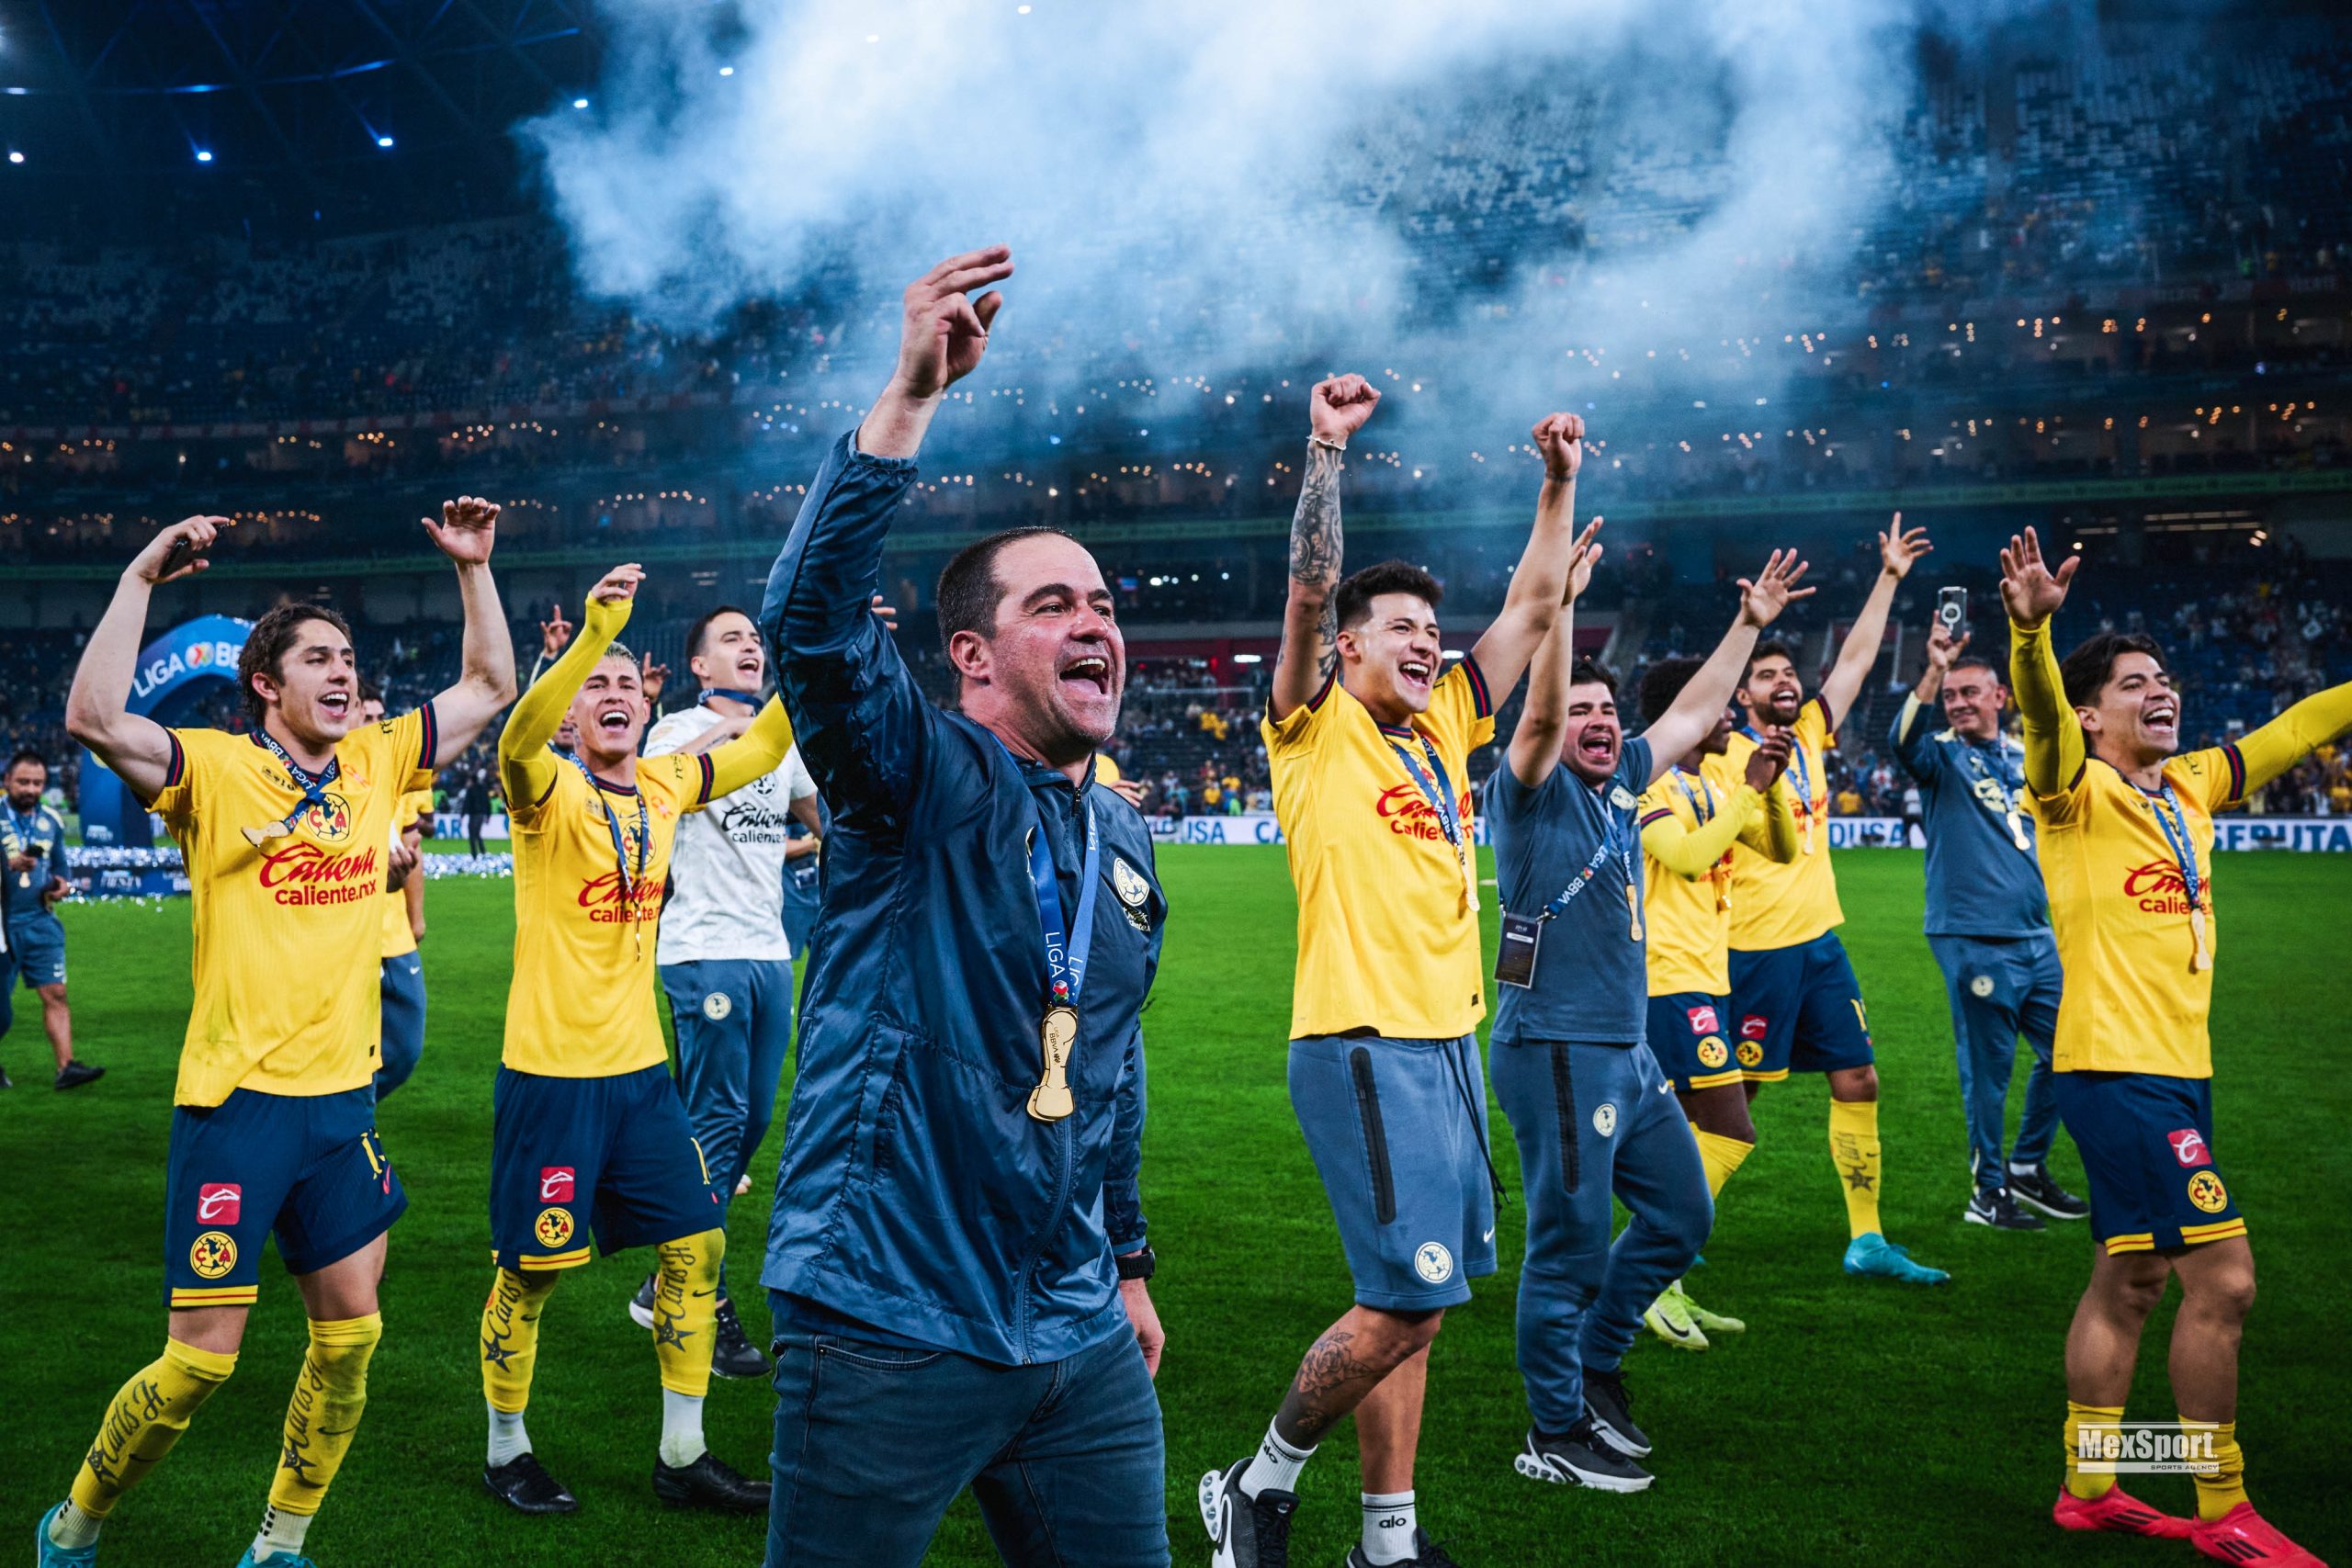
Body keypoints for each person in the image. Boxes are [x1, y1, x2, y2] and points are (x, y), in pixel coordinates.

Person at [758, 244, 1169, 1568]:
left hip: (1073, 1327)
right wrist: (909, 397)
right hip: (888, 1306)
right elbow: (811, 629)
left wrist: (1128, 1260)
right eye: (1055, 604)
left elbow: (1105, 1066)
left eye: (1104, 602)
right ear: (976, 655)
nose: (1096, 622)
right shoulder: (918, 775)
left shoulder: (1121, 834)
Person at [43, 499, 515, 1568]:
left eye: (347, 657)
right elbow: (92, 717)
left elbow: (489, 685)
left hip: (341, 1107)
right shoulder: (209, 770)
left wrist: (473, 571)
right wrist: (140, 579)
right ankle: (75, 1524)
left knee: (350, 1341)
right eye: (317, 660)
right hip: (236, 1108)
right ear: (267, 684)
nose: (342, 673)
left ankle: (279, 1545)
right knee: (197, 1369)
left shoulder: (380, 761)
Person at [1202, 392, 1586, 1568]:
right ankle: (1253, 1486)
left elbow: (1531, 604)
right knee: (1404, 1303)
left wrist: (1556, 482)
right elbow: (1310, 585)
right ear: (1348, 648)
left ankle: (1387, 1539)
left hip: (1449, 1046)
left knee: (1419, 1318)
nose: (1428, 641)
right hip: (1362, 1041)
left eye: (1433, 626)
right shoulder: (1313, 723)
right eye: (1402, 627)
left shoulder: (1441, 725)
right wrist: (1326, 451)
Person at [2002, 527, 2346, 1563]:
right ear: (2091, 710)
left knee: (2131, 1280)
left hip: (2177, 1072)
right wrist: (2032, 636)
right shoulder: (2071, 791)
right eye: (2134, 682)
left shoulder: (2188, 785)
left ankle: (2090, 1484)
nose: (2162, 691)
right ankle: (2220, 1510)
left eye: (2165, 678)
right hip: (2114, 1070)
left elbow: (2293, 730)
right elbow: (2039, 716)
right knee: (2224, 1281)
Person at [1486, 542, 1811, 1492]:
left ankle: (1594, 1362)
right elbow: (1541, 711)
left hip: (1623, 1051)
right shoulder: (1529, 789)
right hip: (1555, 1048)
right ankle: (1552, 1430)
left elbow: (1696, 712)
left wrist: (1749, 626)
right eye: (1581, 712)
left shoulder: (1626, 778)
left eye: (1606, 711)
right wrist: (1556, 618)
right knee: (1568, 1245)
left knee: (1679, 1213)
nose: (1597, 723)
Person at [477, 567, 794, 1518]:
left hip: (640, 1079)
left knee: (695, 1247)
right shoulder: (542, 789)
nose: (611, 696)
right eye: (593, 689)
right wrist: (589, 639)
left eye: (625, 683)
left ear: (650, 698)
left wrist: (825, 638)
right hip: (551, 1078)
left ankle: (683, 1453)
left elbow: (772, 736)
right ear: (571, 714)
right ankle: (505, 1451)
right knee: (529, 1276)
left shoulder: (665, 784)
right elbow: (517, 735)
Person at [1709, 518, 1951, 1285]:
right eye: (1766, 674)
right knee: (1731, 1108)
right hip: (1752, 950)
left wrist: (1888, 578)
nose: (1785, 680)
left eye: (1789, 671)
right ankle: (1669, 1234)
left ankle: (1867, 1238)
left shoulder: (1810, 730)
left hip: (1820, 944)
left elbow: (1855, 660)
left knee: (1860, 1079)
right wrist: (1748, 630)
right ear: (1741, 693)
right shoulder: (1723, 756)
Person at [619, 603, 825, 1382]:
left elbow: (822, 815)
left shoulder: (782, 745)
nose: (751, 647)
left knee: (754, 1122)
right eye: (732, 639)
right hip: (702, 949)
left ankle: (660, 1278)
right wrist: (739, 730)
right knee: (716, 1117)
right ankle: (695, 1290)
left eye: (755, 639)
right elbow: (668, 790)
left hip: (771, 950)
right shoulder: (674, 730)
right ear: (700, 665)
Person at [1889, 620, 2087, 1231]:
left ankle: (2027, 1167)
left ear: (2000, 696)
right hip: (1973, 937)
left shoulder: (2026, 758)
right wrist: (1932, 669)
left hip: (2040, 937)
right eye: (1951, 695)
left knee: (2072, 1056)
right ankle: (1987, 1189)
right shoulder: (1939, 756)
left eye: (1969, 692)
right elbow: (1901, 740)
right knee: (1989, 1071)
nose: (1959, 703)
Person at [1632, 654, 1801, 1346]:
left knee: (1690, 1133)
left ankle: (1659, 1273)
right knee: (1731, 1127)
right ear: (1687, 713)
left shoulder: (1712, 782)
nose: (1731, 713)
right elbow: (1691, 857)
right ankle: (1650, 1272)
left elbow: (1782, 850)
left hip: (1706, 977)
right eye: (1719, 703)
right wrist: (1747, 791)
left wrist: (1772, 786)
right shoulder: (1650, 784)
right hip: (1667, 978)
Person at [0, 749, 101, 1090]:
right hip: (1, 924)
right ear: (6, 782)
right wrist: (7, 866)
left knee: (56, 992)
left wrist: (62, 886)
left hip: (40, 921)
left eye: (37, 783)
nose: (30, 789)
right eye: (23, 782)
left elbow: (62, 869)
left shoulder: (51, 821)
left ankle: (66, 1067)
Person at [356, 687, 432, 1103]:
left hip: (394, 936)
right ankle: (348, 1124)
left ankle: (350, 1111)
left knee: (403, 1049)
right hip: (347, 938)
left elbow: (412, 849)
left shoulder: (395, 777)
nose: (375, 726)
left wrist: (414, 917)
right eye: (366, 716)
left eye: (380, 718)